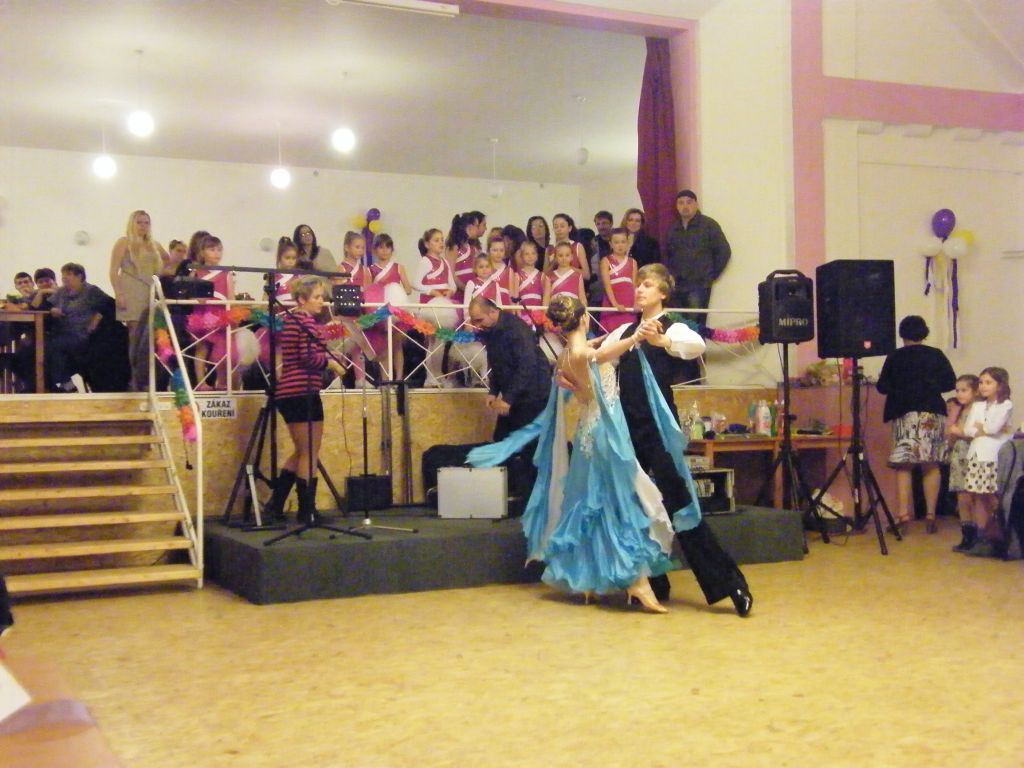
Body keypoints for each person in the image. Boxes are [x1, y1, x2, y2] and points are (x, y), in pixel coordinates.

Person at [468, 295, 676, 611]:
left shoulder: (566, 355)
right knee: (619, 503)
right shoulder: (583, 354)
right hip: (606, 433)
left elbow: (593, 351)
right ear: (583, 319)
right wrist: (635, 336)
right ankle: (637, 583)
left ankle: (591, 581)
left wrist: (610, 338)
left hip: (588, 433)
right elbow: (602, 353)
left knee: (594, 504)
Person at [603, 263, 752, 616]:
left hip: (657, 430)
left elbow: (694, 346)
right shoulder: (626, 330)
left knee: (680, 504)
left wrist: (663, 340)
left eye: (647, 284)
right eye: (638, 284)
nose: (640, 289)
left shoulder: (674, 326)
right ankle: (653, 582)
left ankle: (730, 584)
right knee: (637, 506)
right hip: (628, 431)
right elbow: (600, 358)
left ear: (663, 293)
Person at [262, 276, 347, 524]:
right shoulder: (305, 321)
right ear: (301, 299)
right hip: (302, 390)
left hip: (291, 392)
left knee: (303, 451)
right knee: (310, 451)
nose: (322, 301)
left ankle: (276, 504)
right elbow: (307, 357)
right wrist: (330, 363)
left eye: (322, 297)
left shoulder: (292, 321)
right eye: (317, 297)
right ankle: (306, 510)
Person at [876, 315, 957, 534]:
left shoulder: (895, 356)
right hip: (932, 412)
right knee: (931, 463)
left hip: (905, 413)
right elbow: (950, 382)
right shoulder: (936, 355)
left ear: (902, 334)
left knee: (904, 465)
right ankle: (930, 515)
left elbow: (882, 387)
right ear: (924, 333)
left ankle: (903, 515)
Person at [466, 295, 551, 441]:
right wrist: (494, 391)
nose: (478, 326)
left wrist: (508, 399)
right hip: (515, 392)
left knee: (524, 444)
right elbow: (496, 362)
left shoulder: (517, 329)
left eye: (480, 320)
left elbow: (526, 366)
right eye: (475, 322)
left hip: (532, 394)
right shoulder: (491, 330)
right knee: (502, 439)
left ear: (492, 312)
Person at [954, 367, 1014, 557]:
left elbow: (994, 428)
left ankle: (1001, 534)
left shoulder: (1005, 405)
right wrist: (979, 429)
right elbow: (968, 429)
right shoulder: (978, 406)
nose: (983, 386)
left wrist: (982, 428)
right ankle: (982, 537)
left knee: (993, 496)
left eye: (988, 382)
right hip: (976, 454)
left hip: (992, 455)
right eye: (981, 382)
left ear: (1000, 385)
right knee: (978, 496)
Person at [110, 210, 171, 390]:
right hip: (131, 289)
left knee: (151, 335)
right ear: (132, 223)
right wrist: (119, 293)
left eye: (146, 222)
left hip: (150, 290)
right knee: (135, 335)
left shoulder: (154, 245)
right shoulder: (124, 242)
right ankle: (135, 378)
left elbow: (169, 262)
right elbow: (113, 270)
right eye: (139, 222)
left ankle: (151, 376)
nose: (143, 226)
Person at [46, 263, 113, 392]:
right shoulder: (61, 291)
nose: (64, 278)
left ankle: (66, 385)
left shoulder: (91, 291)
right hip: (63, 332)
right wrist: (52, 309)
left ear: (80, 276)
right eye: (63, 275)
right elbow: (47, 305)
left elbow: (110, 304)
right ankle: (65, 385)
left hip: (81, 333)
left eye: (68, 274)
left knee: (52, 346)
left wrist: (96, 319)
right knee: (46, 347)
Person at [663, 190, 731, 313]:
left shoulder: (709, 225)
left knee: (696, 321)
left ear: (696, 204)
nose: (685, 206)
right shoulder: (673, 229)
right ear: (676, 206)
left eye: (689, 202)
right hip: (677, 286)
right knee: (678, 321)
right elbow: (668, 255)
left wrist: (710, 276)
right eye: (681, 203)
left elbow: (724, 251)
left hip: (699, 285)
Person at [412, 228, 457, 387]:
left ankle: (437, 374)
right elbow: (415, 283)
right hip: (430, 305)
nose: (441, 243)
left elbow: (452, 284)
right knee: (432, 341)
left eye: (442, 240)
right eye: (436, 240)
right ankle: (430, 376)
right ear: (427, 244)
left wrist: (450, 291)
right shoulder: (426, 261)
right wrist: (431, 291)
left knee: (441, 341)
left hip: (443, 304)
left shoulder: (445, 262)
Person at [365, 233, 412, 381]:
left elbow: (408, 289)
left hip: (397, 312)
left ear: (392, 249)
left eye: (388, 247)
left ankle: (399, 378)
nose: (384, 251)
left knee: (397, 345)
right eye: (381, 247)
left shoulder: (399, 267)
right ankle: (385, 378)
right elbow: (368, 291)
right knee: (384, 346)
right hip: (381, 312)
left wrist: (395, 291)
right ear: (375, 250)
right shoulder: (370, 270)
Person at [946, 374, 980, 548]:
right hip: (959, 455)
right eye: (957, 390)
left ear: (975, 391)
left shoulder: (979, 410)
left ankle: (980, 533)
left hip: (972, 454)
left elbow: (975, 433)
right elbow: (950, 432)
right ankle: (967, 535)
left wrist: (959, 431)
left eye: (964, 390)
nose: (959, 394)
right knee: (962, 496)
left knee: (973, 496)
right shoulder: (959, 410)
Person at [598, 228, 636, 334]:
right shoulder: (606, 261)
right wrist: (615, 304)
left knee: (628, 333)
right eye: (616, 242)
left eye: (623, 242)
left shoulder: (633, 262)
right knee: (611, 334)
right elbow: (607, 285)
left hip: (628, 302)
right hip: (612, 301)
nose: (620, 245)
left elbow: (634, 285)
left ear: (628, 243)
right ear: (611, 244)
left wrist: (636, 303)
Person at [544, 214, 590, 281]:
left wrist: (567, 267)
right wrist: (554, 263)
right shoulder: (549, 249)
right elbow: (544, 275)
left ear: (569, 228)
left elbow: (586, 275)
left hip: (573, 285)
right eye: (556, 227)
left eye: (562, 226)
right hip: (553, 286)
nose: (559, 229)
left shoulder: (577, 246)